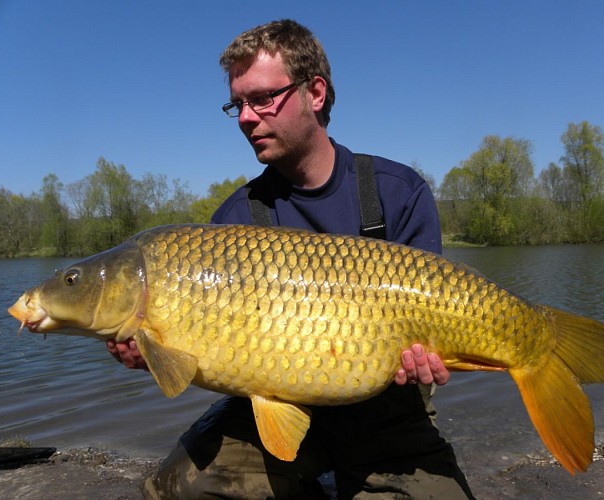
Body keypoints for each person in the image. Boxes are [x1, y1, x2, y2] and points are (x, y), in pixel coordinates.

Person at [108, 19, 475, 499]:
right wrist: (151, 353)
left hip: (387, 407)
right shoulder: (235, 219)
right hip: (268, 409)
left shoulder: (396, 192)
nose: (245, 117)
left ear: (315, 93)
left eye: (261, 98)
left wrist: (436, 357)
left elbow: (435, 321)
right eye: (236, 104)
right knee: (179, 489)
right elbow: (205, 350)